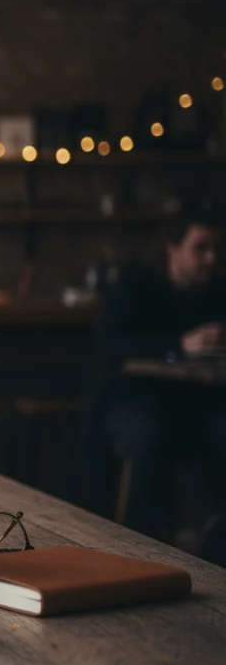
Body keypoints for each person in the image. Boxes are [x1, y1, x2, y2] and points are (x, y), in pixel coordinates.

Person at [80, 211, 226, 539]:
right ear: (172, 248)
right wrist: (180, 343)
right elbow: (108, 344)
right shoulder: (136, 283)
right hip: (130, 398)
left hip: (194, 402)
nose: (211, 258)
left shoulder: (216, 290)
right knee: (149, 436)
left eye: (217, 248)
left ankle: (213, 536)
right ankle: (138, 540)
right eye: (200, 248)